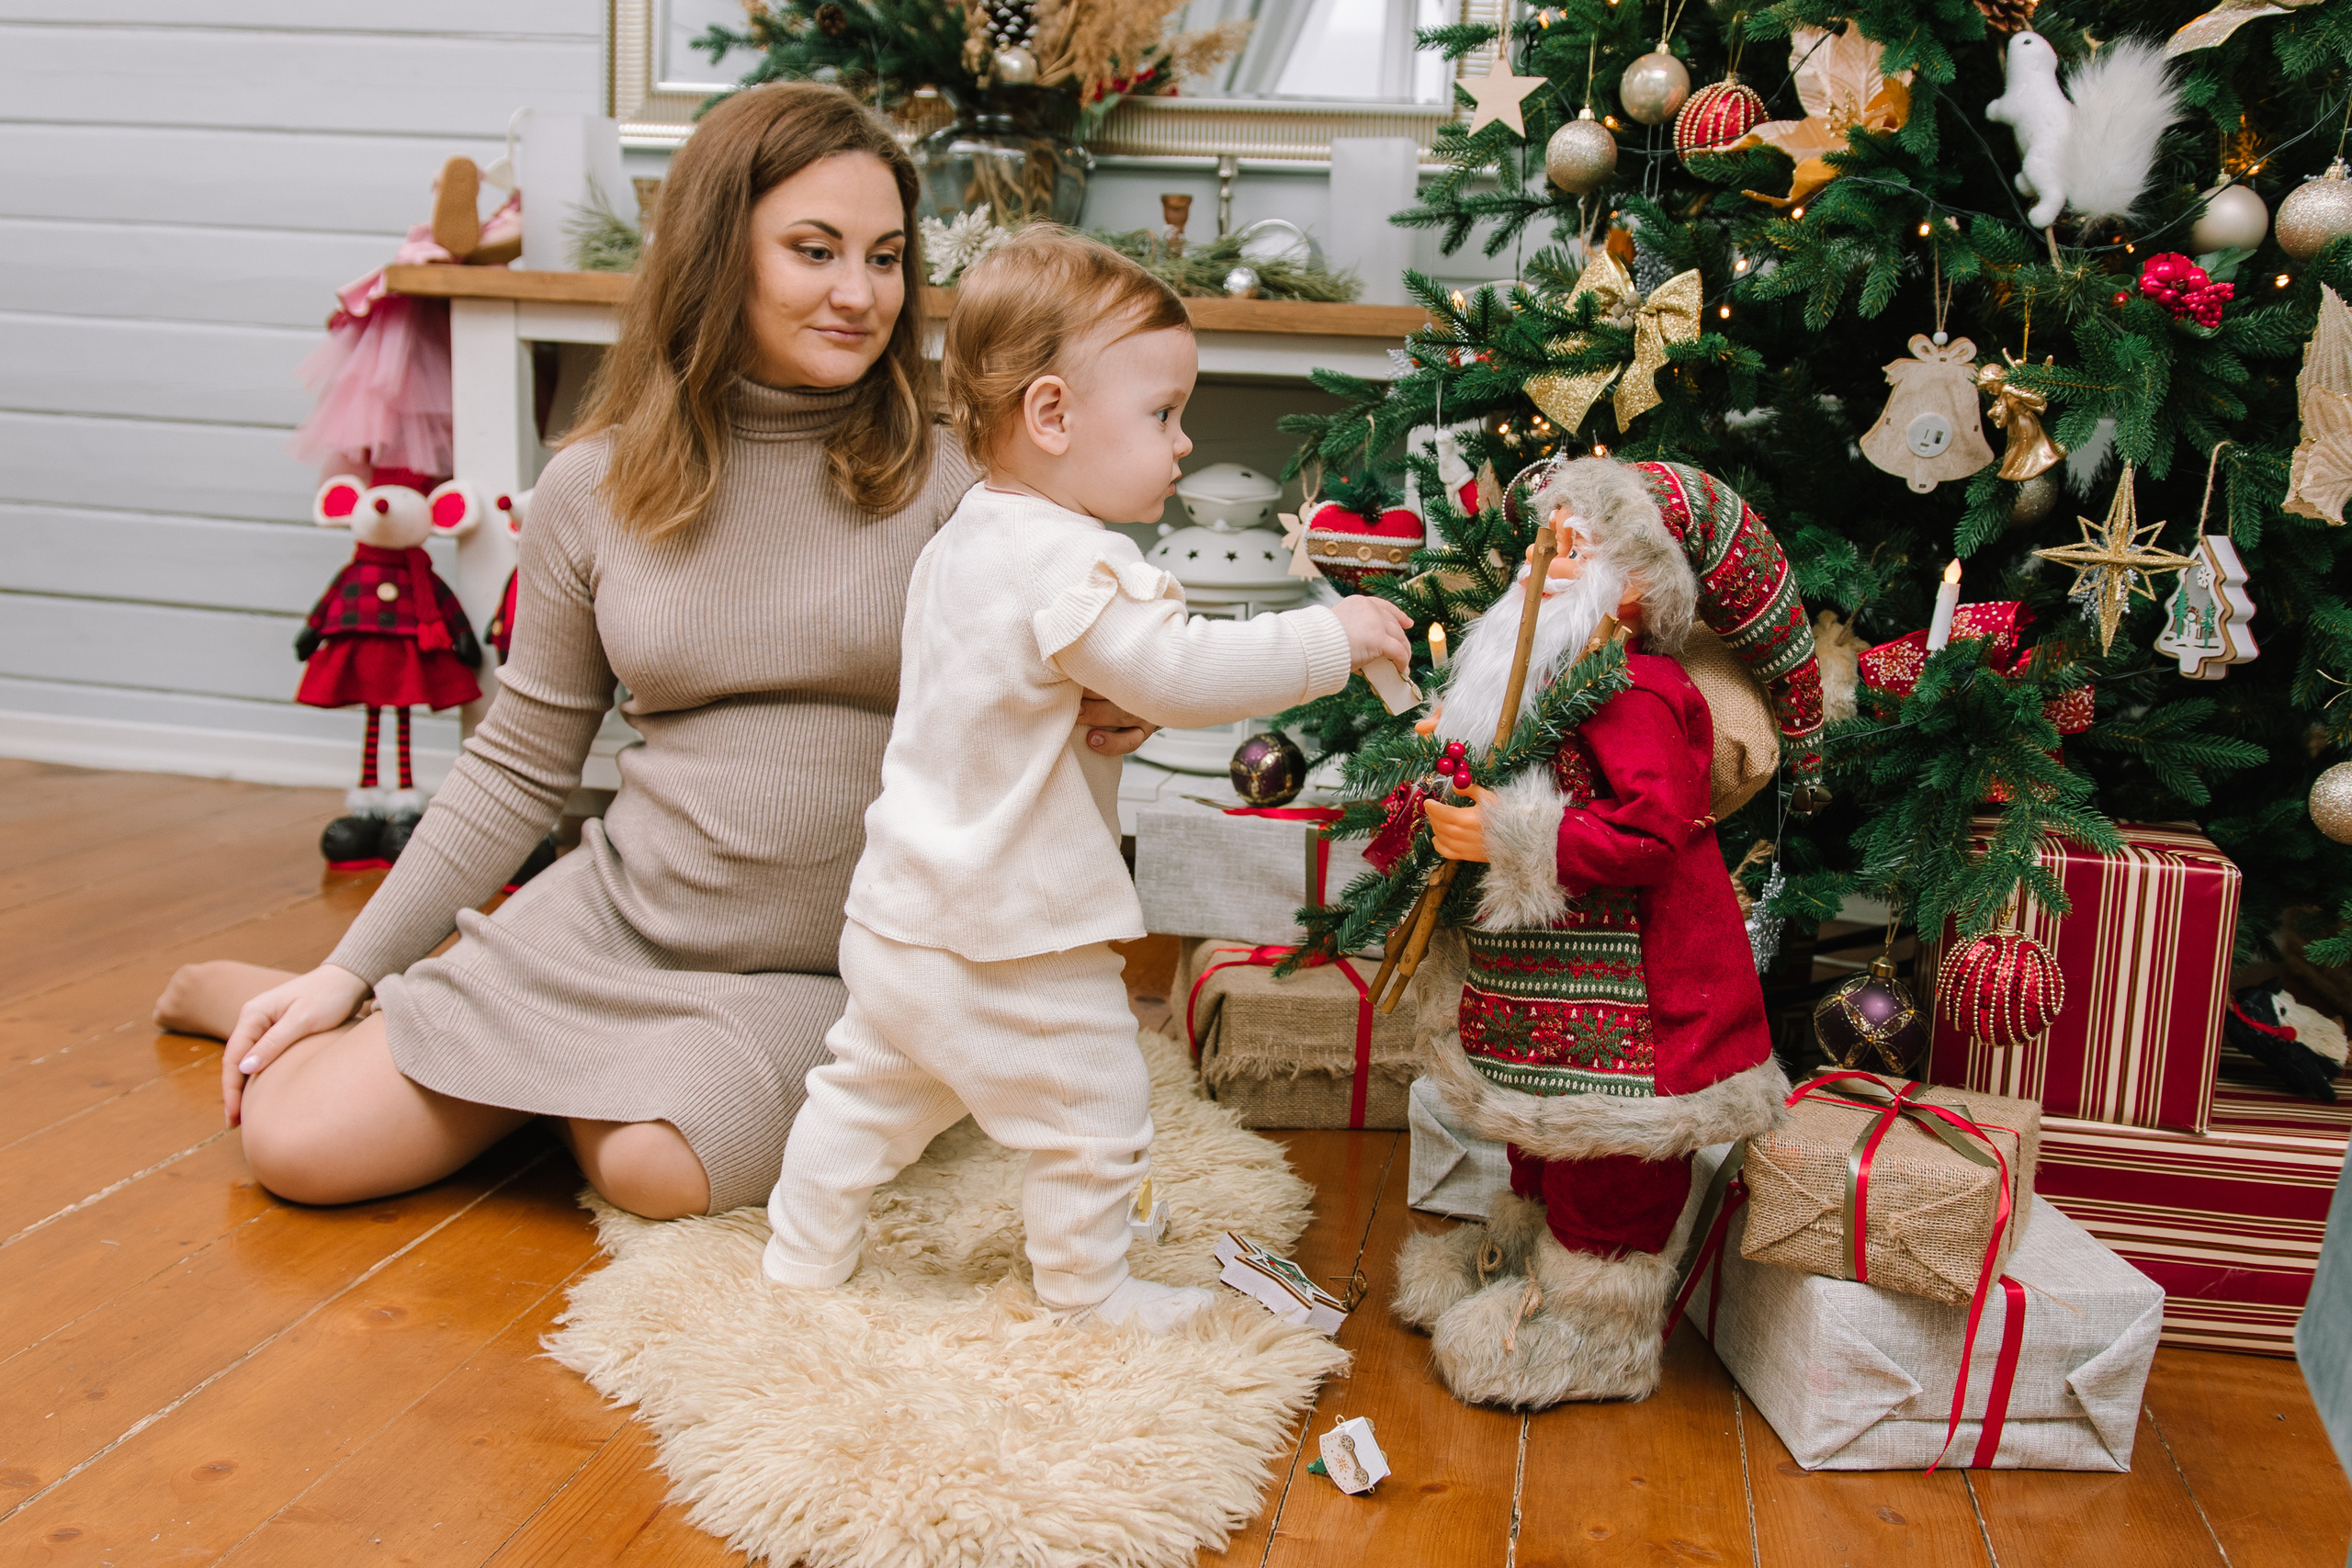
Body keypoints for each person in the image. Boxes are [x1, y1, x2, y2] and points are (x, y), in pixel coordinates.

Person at [152, 85, 1157, 1220]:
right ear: (718, 254)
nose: (858, 293)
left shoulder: (961, 480)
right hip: (620, 922)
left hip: (839, 965)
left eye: (885, 258)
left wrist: (1115, 703)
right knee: (296, 1147)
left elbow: (1087, 661)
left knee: (654, 1171)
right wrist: (349, 962)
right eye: (814, 250)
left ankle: (501, 1058)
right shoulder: (593, 485)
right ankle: (347, 1002)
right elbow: (518, 760)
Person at [759, 229, 1415, 1333]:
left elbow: (1013, 696)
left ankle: (799, 1256)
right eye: (1162, 413)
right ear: (1052, 416)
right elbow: (1183, 668)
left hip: (905, 913)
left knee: (870, 1091)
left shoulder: (970, 537)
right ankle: (1086, 1293)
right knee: (1093, 1111)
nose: (1183, 437)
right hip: (1007, 936)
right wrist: (1330, 636)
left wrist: (1097, 712)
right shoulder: (1076, 561)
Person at [1387, 457, 1811, 1408]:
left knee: (1611, 1156)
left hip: (1636, 1001)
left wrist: (1501, 831)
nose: (1552, 557)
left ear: (1643, 583)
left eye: (1583, 546)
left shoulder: (1637, 689)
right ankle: (1528, 1259)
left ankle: (1594, 1325)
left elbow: (1652, 834)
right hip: (1558, 988)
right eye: (1551, 540)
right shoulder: (1558, 682)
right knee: (1541, 1138)